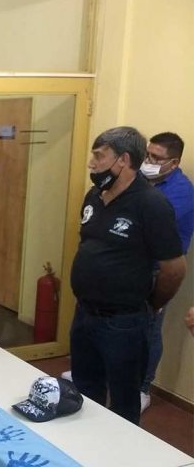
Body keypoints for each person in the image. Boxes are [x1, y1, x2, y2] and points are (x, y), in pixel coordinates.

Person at [69, 126, 186, 425]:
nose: (91, 163)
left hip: (123, 322)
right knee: (83, 392)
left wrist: (151, 303)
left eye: (99, 156)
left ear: (122, 160)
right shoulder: (94, 196)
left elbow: (174, 268)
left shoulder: (151, 204)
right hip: (84, 314)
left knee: (123, 401)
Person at [138, 132, 193, 412]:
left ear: (174, 162)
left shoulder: (181, 191)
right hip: (134, 266)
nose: (148, 161)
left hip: (161, 273)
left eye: (156, 158)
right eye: (148, 154)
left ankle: (143, 387)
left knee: (150, 328)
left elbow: (147, 225)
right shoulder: (144, 181)